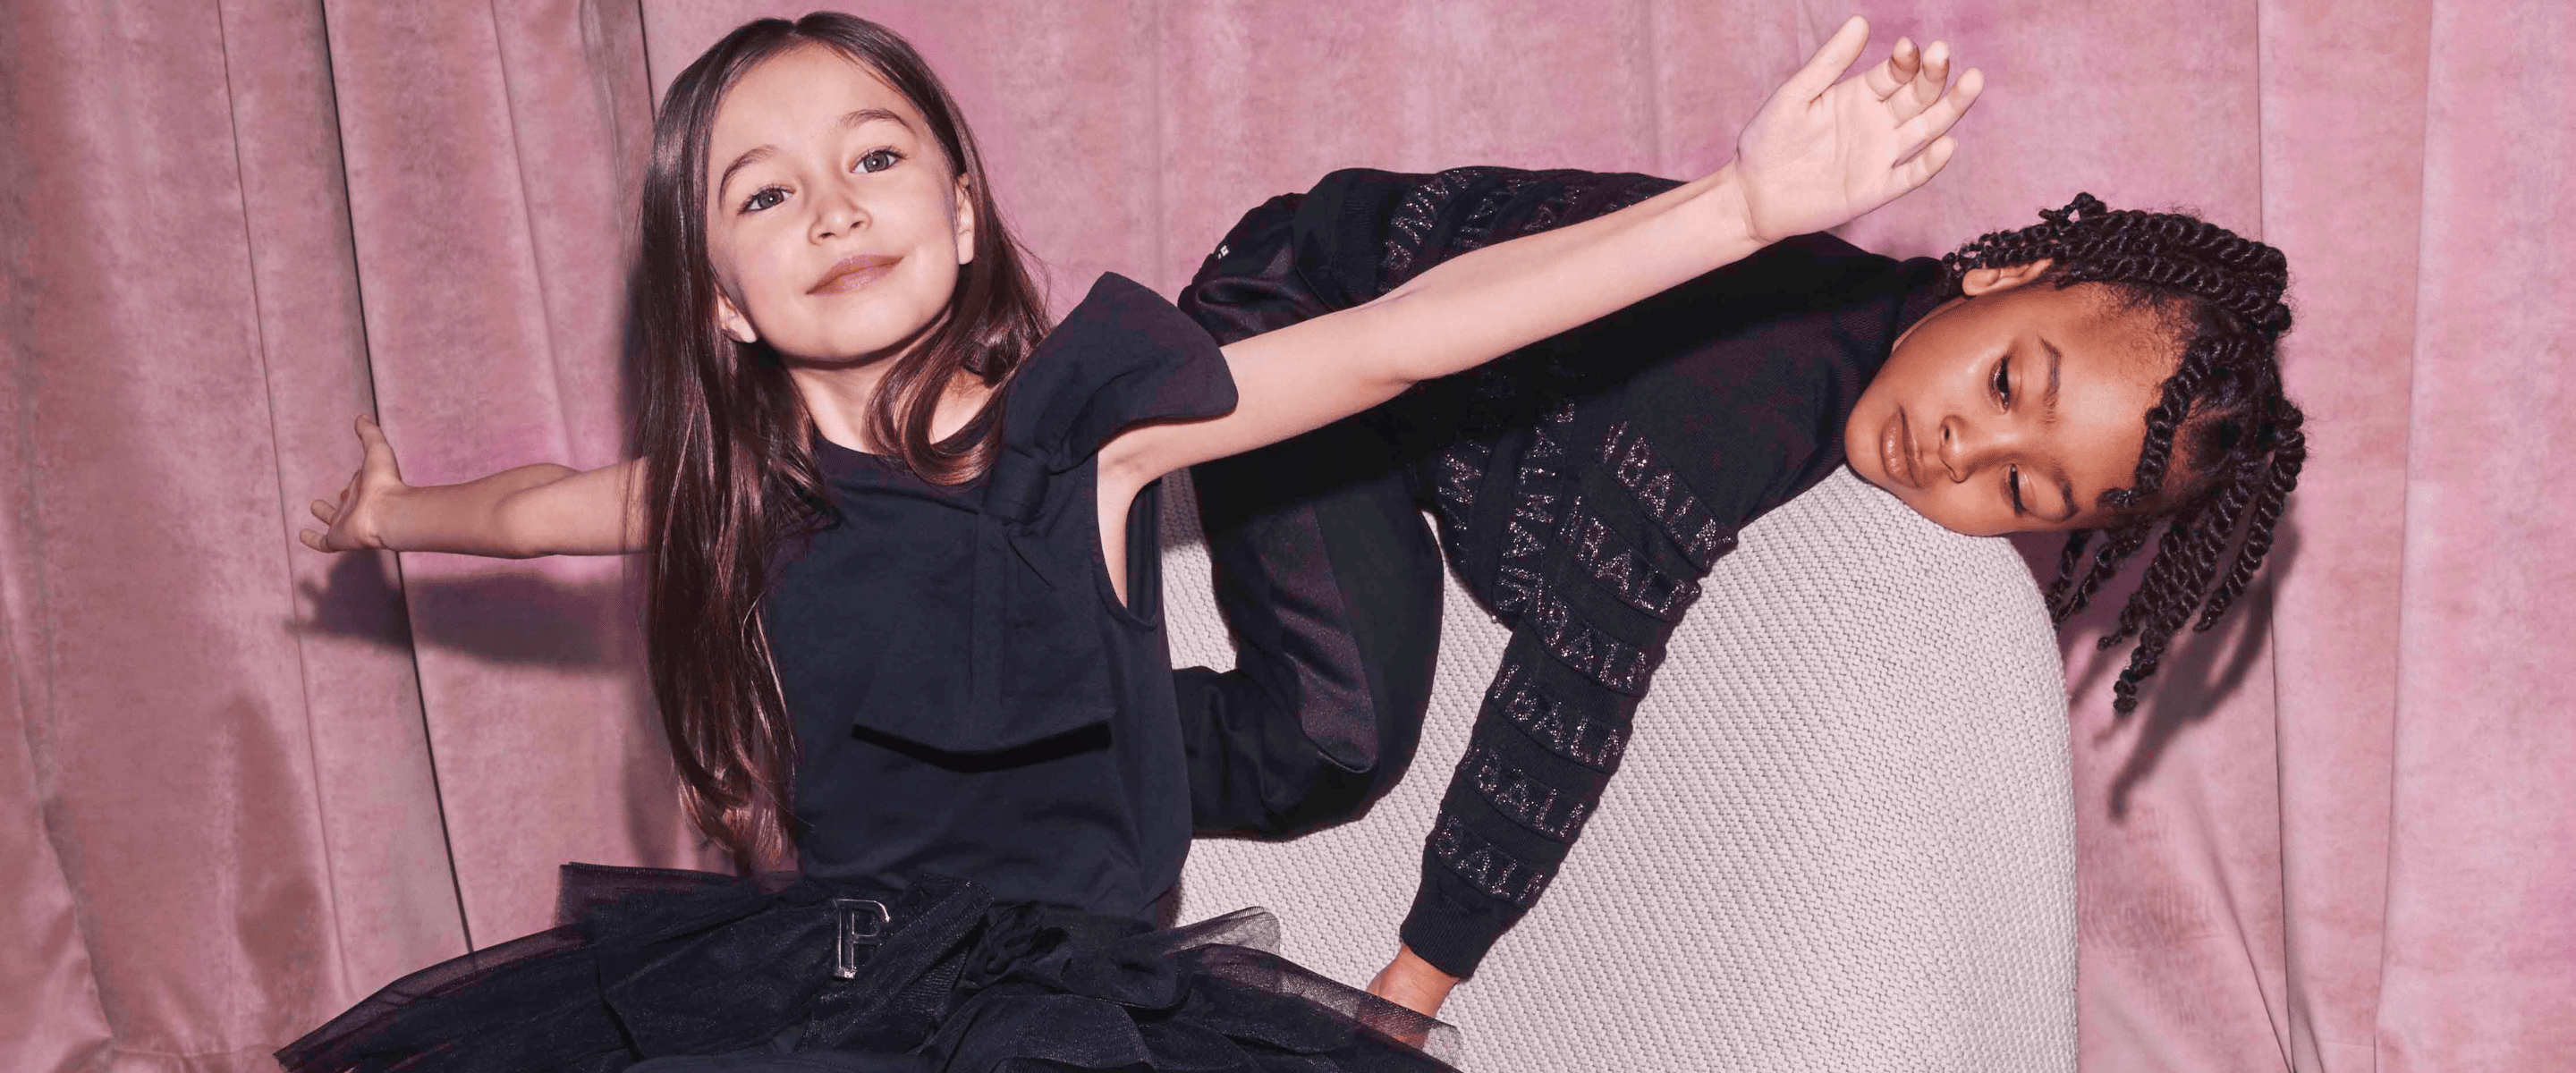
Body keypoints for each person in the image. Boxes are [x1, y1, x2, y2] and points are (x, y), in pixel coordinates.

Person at [282, 10, 1980, 1072]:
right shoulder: (734, 493)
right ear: (720, 302)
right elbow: (542, 510)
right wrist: (395, 513)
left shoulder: (1090, 430)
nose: (836, 206)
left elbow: (1398, 340)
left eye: (875, 156)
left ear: (962, 213)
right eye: (767, 193)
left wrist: (1736, 211)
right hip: (824, 987)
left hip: (1072, 1009)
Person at [1175, 168, 2305, 1017]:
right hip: (1299, 311)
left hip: (1400, 422)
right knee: (1332, 741)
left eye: (2022, 489)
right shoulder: (1751, 384)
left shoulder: (1869, 335)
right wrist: (1418, 985)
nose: (1961, 449)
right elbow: (1570, 688)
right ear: (2007, 274)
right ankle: (1072, 729)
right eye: (2007, 382)